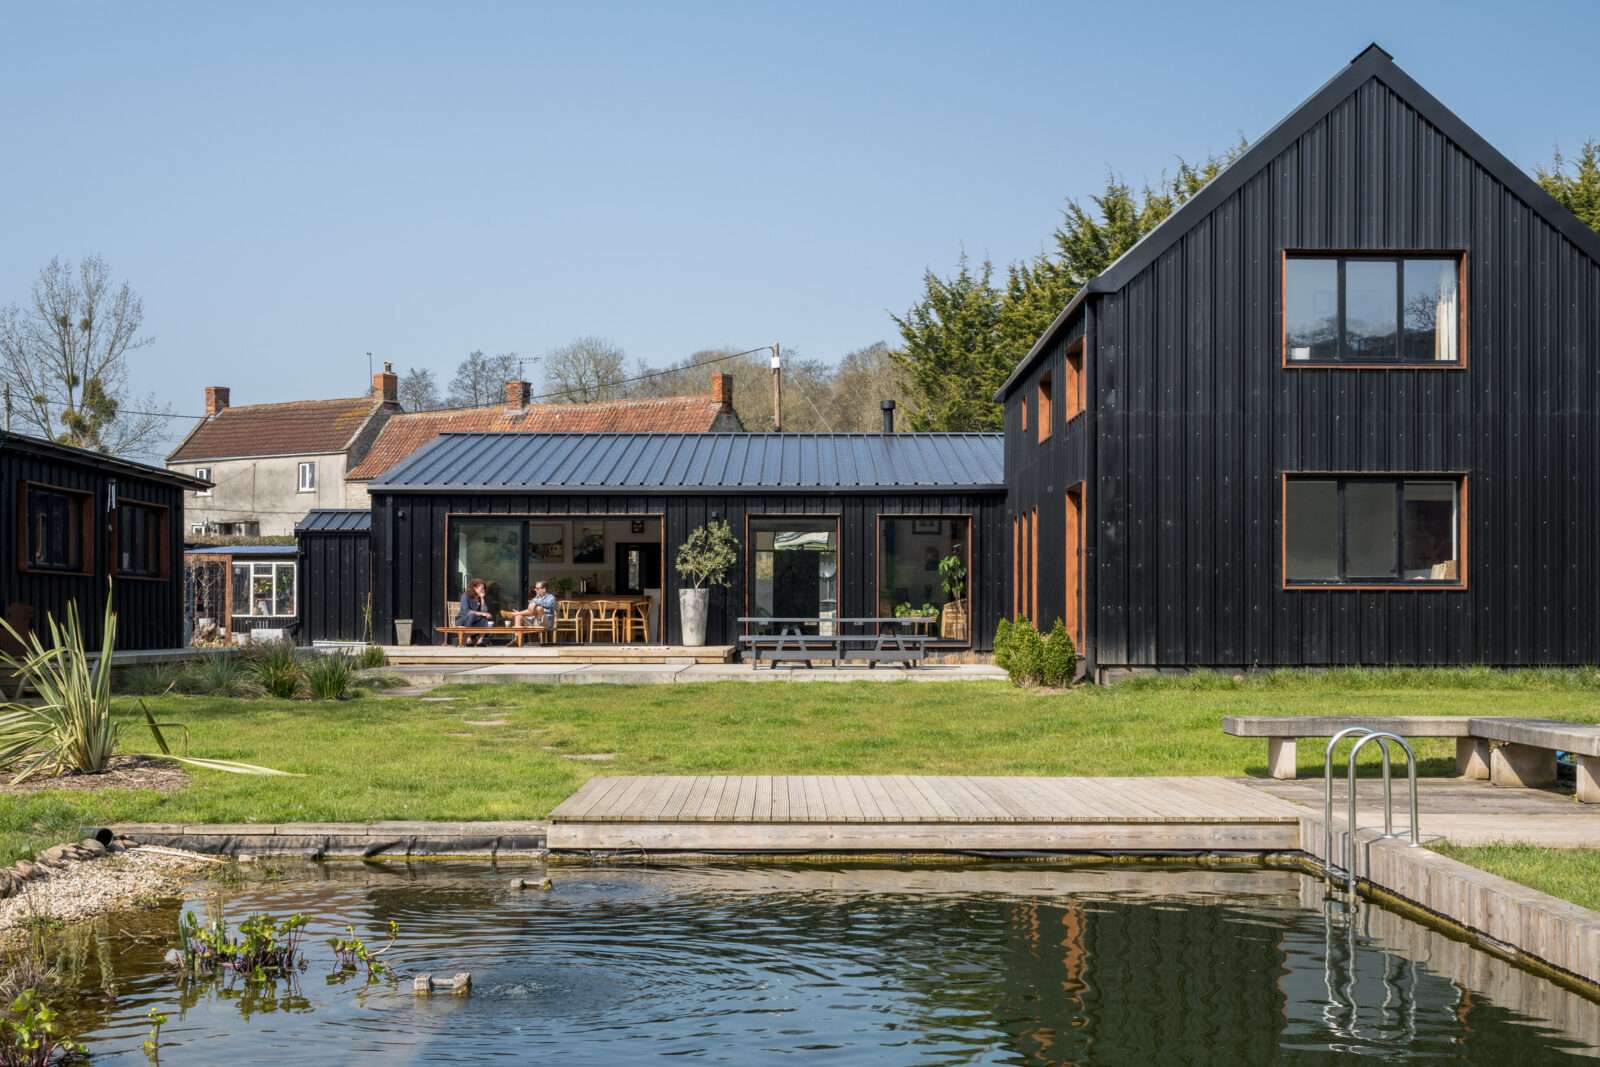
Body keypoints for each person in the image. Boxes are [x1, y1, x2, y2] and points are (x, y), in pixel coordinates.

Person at [456, 578, 494, 645]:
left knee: (485, 618)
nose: (483, 590)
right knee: (471, 615)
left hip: (474, 621)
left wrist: (482, 598)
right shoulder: (465, 596)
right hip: (462, 621)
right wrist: (482, 614)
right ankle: (468, 639)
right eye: (482, 588)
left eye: (484, 588)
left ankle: (480, 640)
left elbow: (484, 611)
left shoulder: (480, 597)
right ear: (474, 587)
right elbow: (466, 611)